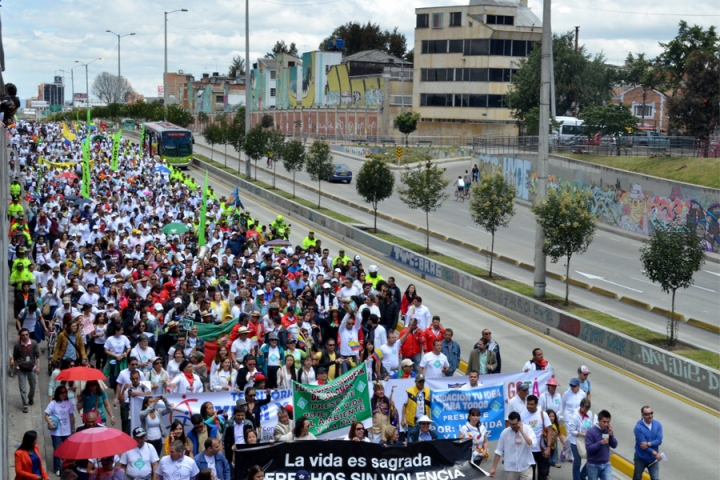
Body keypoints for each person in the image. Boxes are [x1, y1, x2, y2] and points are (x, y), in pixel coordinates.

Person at [488, 411, 537, 479]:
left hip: (525, 467)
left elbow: (532, 444)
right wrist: (493, 468)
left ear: (519, 422)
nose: (512, 427)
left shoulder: (528, 429)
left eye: (514, 424)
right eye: (510, 424)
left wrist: (522, 432)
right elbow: (498, 451)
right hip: (510, 468)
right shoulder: (505, 433)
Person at [45, 385, 76, 476]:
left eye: (65, 392)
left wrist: (73, 428)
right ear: (58, 393)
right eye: (61, 392)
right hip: (56, 432)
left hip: (67, 431)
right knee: (57, 449)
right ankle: (57, 468)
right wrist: (49, 422)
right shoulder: (53, 403)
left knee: (68, 449)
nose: (64, 394)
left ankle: (67, 466)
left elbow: (71, 417)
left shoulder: (69, 403)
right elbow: (46, 415)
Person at [522, 395, 553, 480]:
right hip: (528, 451)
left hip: (541, 450)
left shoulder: (542, 414)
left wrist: (548, 448)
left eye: (531, 404)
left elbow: (550, 431)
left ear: (536, 404)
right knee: (530, 476)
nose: (529, 406)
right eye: (528, 404)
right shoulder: (523, 415)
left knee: (542, 475)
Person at [13, 328, 40, 413]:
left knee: (33, 386)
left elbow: (38, 356)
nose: (25, 336)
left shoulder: (34, 343)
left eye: (26, 334)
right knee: (23, 388)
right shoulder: (17, 345)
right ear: (20, 336)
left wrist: (38, 367)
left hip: (31, 368)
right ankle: (25, 405)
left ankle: (30, 398)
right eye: (23, 335)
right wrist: (15, 367)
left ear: (29, 335)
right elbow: (15, 357)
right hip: (21, 368)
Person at [585, 410, 617, 480]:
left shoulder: (607, 431)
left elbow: (614, 445)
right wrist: (601, 443)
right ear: (599, 420)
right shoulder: (591, 432)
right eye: (604, 422)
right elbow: (589, 448)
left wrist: (611, 435)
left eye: (608, 422)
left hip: (606, 463)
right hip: (593, 465)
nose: (606, 424)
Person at [632, 406, 663, 480]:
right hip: (641, 458)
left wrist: (649, 444)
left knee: (655, 478)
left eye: (651, 413)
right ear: (642, 415)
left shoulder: (658, 424)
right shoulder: (638, 428)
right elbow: (643, 446)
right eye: (647, 414)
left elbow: (659, 440)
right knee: (637, 477)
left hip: (653, 460)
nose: (650, 416)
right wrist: (655, 453)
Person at [568, 398, 593, 480]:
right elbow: (571, 431)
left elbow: (590, 425)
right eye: (585, 408)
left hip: (586, 441)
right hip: (576, 442)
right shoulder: (575, 416)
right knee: (577, 462)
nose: (586, 410)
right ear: (581, 406)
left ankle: (582, 475)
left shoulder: (589, 413)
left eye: (588, 409)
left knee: (591, 459)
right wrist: (583, 434)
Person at [401, 375, 430, 441]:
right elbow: (404, 405)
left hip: (424, 421)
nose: (421, 383)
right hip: (413, 420)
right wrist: (402, 419)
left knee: (424, 440)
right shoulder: (409, 391)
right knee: (411, 440)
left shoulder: (428, 391)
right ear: (415, 382)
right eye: (420, 382)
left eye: (423, 381)